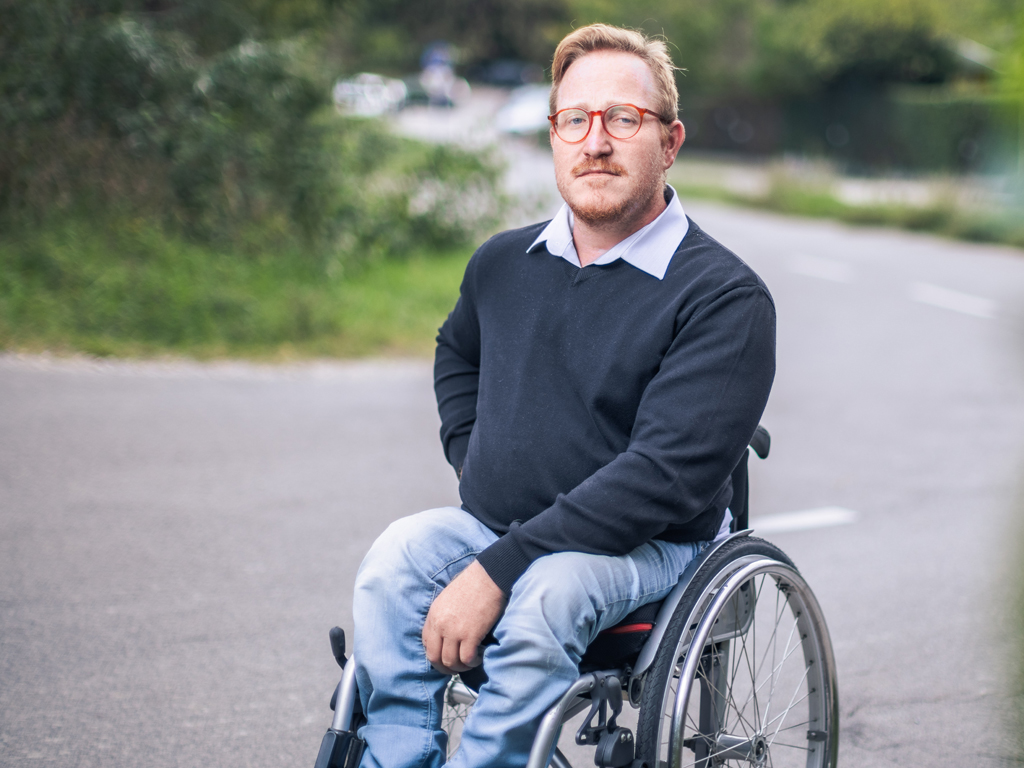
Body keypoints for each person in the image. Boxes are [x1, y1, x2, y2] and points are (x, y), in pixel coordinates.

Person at [351, 23, 776, 768]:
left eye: (623, 119)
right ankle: (397, 755)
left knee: (551, 588)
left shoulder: (724, 297)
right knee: (396, 560)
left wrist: (497, 569)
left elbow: (663, 479)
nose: (596, 141)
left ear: (669, 142)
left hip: (652, 548)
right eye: (574, 120)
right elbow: (458, 353)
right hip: (502, 527)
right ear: (554, 136)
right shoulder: (503, 264)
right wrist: (471, 454)